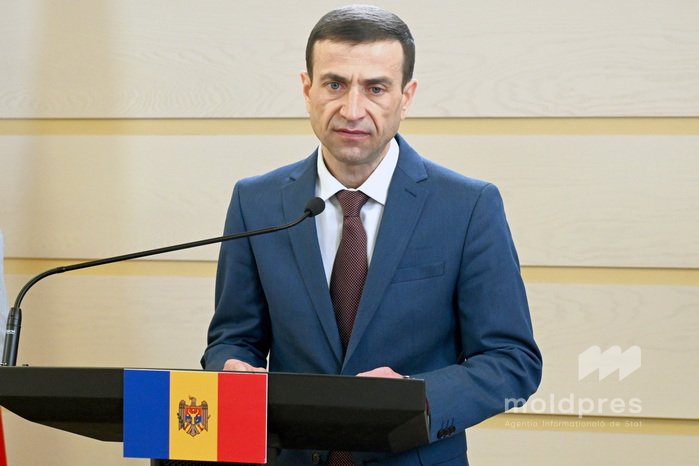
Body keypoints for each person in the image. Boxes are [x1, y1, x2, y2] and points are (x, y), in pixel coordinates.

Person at [202, 5, 542, 465]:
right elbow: (233, 337)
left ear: (406, 96)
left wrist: (414, 398)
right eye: (334, 84)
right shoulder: (255, 201)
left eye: (375, 88)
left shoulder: (468, 206)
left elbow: (512, 361)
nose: (352, 110)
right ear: (307, 89)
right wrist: (230, 367)